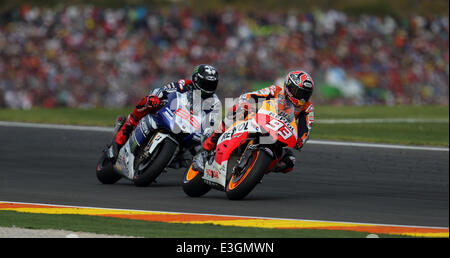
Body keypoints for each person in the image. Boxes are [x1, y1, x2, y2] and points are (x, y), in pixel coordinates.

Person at [195, 70, 315, 174]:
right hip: (260, 120)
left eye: (306, 94)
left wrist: (300, 141)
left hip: (278, 134)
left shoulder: (307, 108)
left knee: (290, 161)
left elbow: (305, 129)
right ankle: (209, 144)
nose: (302, 98)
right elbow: (252, 96)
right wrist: (246, 101)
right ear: (289, 87)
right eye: (300, 93)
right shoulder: (276, 91)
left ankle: (256, 168)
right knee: (239, 110)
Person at [108, 64, 220, 162]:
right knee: (150, 101)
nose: (207, 87)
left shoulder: (214, 102)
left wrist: (207, 135)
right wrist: (159, 97)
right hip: (172, 115)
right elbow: (163, 90)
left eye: (211, 84)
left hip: (190, 129)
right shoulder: (184, 84)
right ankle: (126, 128)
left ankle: (189, 165)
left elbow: (211, 124)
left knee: (204, 147)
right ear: (196, 79)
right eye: (204, 83)